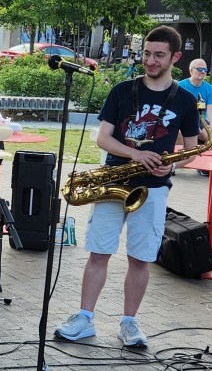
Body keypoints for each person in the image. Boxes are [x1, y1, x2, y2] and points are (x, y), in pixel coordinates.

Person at [54, 25, 202, 349]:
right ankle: (84, 317)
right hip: (113, 181)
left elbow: (192, 150)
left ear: (175, 57)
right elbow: (102, 138)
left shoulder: (186, 100)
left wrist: (172, 165)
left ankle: (128, 323)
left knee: (140, 259)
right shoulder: (122, 90)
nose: (150, 60)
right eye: (146, 53)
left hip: (154, 188)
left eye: (159, 55)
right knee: (98, 253)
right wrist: (136, 154)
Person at [178, 58, 212, 177]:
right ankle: (175, 165)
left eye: (205, 69)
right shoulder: (180, 86)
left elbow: (211, 109)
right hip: (182, 119)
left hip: (200, 119)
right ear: (191, 70)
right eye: (199, 69)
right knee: (178, 135)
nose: (203, 72)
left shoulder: (210, 89)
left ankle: (204, 166)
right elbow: (176, 108)